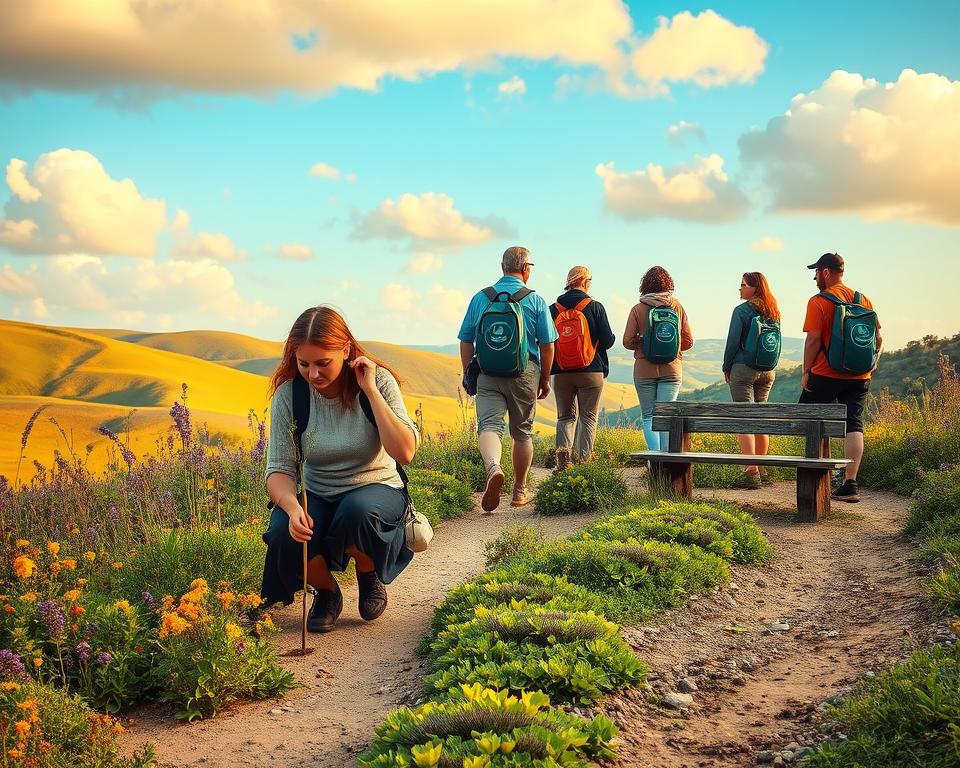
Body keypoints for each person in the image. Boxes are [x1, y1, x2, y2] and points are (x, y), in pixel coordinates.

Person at [260, 306, 419, 632]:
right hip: (320, 491)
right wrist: (292, 509)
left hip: (377, 487)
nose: (313, 374)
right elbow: (278, 469)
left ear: (345, 349)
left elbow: (404, 452)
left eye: (323, 363)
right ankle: (328, 591)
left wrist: (370, 391)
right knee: (281, 531)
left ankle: (367, 570)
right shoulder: (289, 395)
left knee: (358, 511)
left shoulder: (380, 382)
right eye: (304, 364)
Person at [458, 246, 558, 512]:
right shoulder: (535, 300)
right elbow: (548, 344)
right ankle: (519, 491)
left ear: (502, 267)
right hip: (524, 372)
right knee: (522, 433)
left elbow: (466, 338)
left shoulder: (481, 298)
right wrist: (545, 377)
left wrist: (470, 370)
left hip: (488, 372)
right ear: (526, 269)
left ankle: (493, 467)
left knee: (489, 426)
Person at [800, 253, 882, 503]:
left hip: (826, 372)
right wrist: (872, 363)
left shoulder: (819, 301)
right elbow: (878, 338)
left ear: (825, 272)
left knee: (807, 418)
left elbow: (813, 339)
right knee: (853, 423)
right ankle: (849, 482)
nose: (814, 277)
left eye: (816, 272)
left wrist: (806, 371)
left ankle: (819, 476)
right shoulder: (863, 299)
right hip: (859, 374)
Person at [549, 265, 616, 469]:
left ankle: (563, 464)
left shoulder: (553, 309)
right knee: (588, 418)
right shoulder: (595, 307)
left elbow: (545, 341)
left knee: (565, 417)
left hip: (561, 373)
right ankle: (583, 464)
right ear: (585, 281)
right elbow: (607, 341)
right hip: (591, 372)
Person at [623, 266, 693, 451]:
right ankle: (667, 461)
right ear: (668, 283)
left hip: (644, 369)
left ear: (645, 285)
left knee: (648, 417)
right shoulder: (677, 306)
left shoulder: (638, 309)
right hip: (672, 369)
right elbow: (688, 341)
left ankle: (656, 462)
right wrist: (673, 350)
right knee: (666, 416)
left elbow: (627, 342)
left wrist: (643, 344)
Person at [722, 272, 781, 489]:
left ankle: (750, 471)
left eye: (743, 285)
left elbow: (732, 343)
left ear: (754, 288)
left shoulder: (741, 311)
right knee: (760, 417)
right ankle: (762, 468)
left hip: (743, 369)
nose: (739, 288)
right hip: (767, 370)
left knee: (743, 418)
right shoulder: (773, 311)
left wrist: (726, 366)